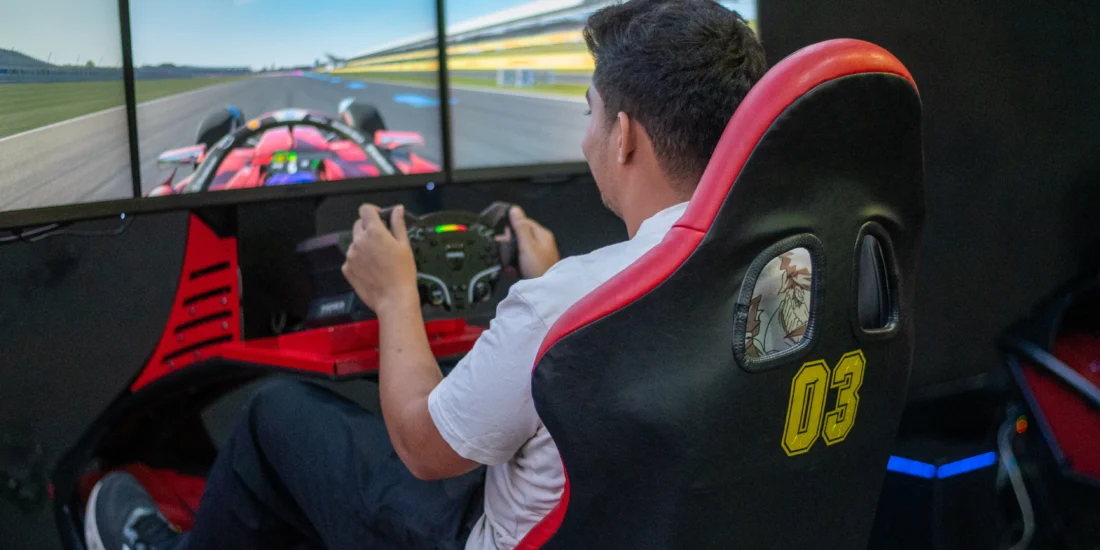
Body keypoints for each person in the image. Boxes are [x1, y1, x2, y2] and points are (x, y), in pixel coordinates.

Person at [83, 1, 767, 548]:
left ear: (625, 137)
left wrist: (394, 296)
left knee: (274, 416)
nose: (586, 137)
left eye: (590, 113)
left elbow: (423, 448)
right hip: (662, 522)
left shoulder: (562, 304)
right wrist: (558, 280)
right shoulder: (782, 269)